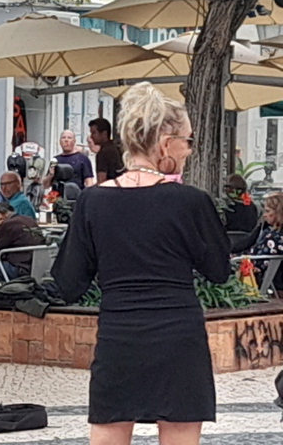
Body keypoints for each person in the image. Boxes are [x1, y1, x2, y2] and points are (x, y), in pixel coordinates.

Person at [51, 82, 230, 445]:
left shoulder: (92, 202)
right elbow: (218, 270)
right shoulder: (191, 202)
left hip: (120, 337)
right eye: (188, 140)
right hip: (179, 337)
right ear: (165, 142)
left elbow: (69, 282)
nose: (189, 151)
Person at [231, 192, 283, 290]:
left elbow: (258, 261)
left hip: (259, 277)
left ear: (279, 212)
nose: (264, 215)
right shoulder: (266, 227)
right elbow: (246, 242)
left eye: (268, 211)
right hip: (255, 268)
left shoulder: (275, 237)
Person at [89, 117, 124, 183]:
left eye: (94, 133)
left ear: (104, 134)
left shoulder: (103, 153)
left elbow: (101, 181)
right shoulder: (117, 148)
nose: (91, 136)